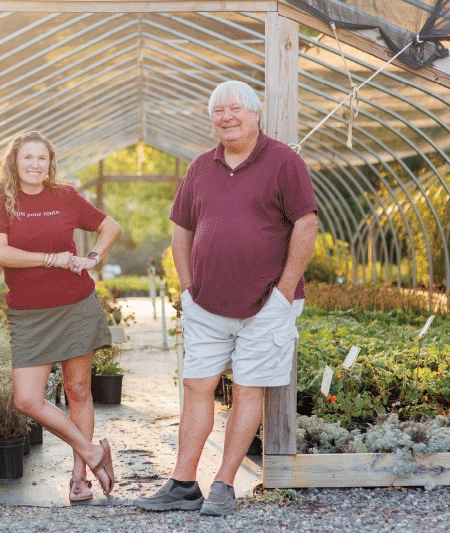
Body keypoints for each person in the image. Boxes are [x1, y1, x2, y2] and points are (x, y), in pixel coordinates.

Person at [135, 81, 318, 516]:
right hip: (207, 306)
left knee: (247, 389)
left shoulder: (284, 162)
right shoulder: (200, 166)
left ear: (255, 114)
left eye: (236, 109)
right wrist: (186, 288)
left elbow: (305, 226)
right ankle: (182, 483)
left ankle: (224, 483)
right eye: (219, 111)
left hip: (267, 305)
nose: (227, 117)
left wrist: (283, 293)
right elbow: (182, 230)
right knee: (196, 386)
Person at [0, 131, 122, 501]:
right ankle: (94, 452)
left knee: (78, 391)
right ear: (15, 162)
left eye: (41, 158)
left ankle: (80, 478)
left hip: (75, 306)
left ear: (50, 164)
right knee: (27, 400)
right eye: (27, 158)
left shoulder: (65, 196)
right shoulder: (2, 200)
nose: (34, 165)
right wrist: (51, 259)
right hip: (29, 315)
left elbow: (111, 226)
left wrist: (92, 258)